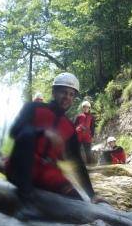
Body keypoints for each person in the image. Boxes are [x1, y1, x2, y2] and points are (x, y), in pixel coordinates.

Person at [5, 72, 100, 202]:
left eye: (71, 94)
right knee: (27, 133)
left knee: (78, 200)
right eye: (63, 92)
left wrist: (92, 195)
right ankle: (25, 197)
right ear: (54, 92)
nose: (67, 97)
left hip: (47, 173)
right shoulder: (33, 108)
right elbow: (15, 131)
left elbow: (77, 163)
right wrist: (42, 132)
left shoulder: (69, 127)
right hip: (21, 167)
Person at [74, 100, 95, 164]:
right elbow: (74, 125)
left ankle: (90, 165)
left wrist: (92, 136)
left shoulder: (91, 117)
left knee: (88, 151)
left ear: (89, 108)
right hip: (79, 135)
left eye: (87, 107)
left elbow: (92, 127)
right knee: (77, 151)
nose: (86, 108)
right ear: (82, 108)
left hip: (87, 136)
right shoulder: (79, 116)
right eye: (84, 107)